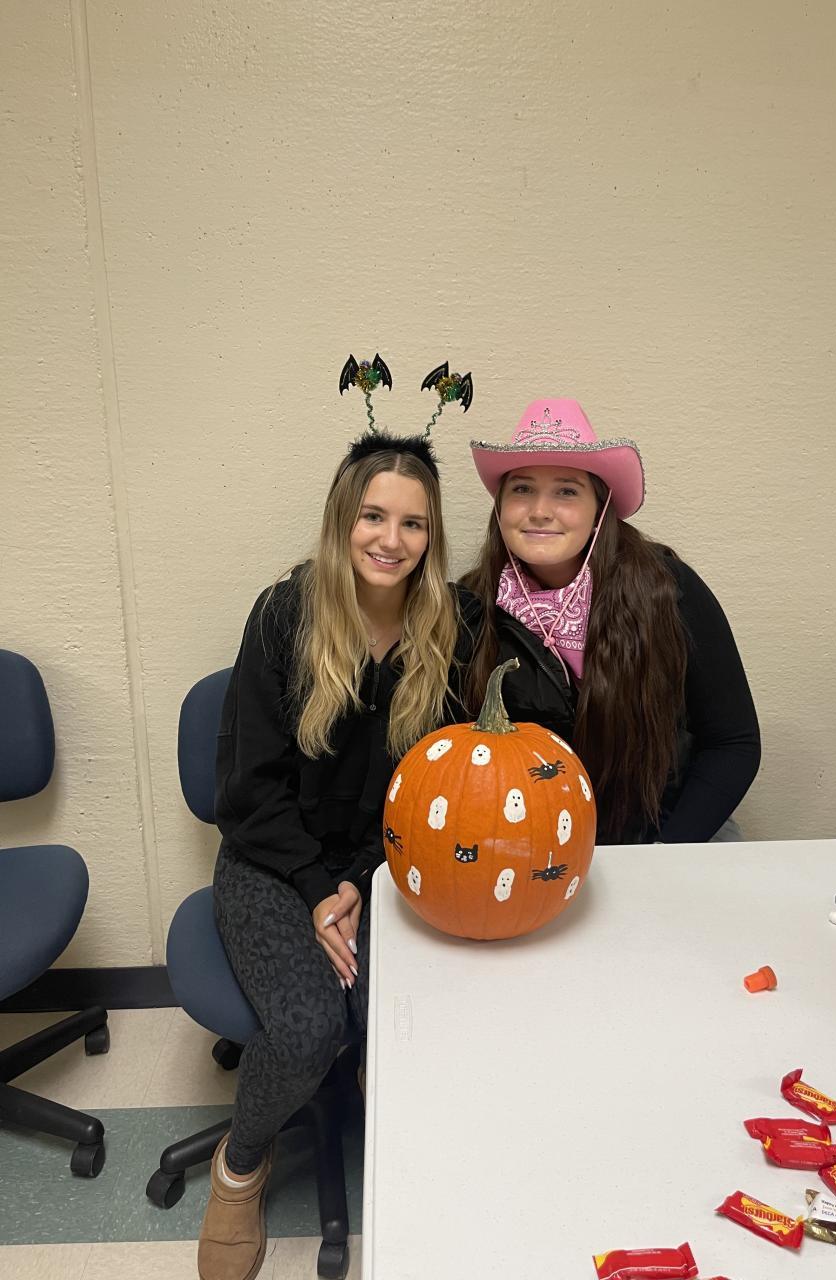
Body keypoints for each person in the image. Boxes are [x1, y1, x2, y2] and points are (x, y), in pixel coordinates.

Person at [198, 362, 475, 1280]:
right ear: (341, 520)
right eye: (372, 516)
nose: (390, 539)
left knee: (406, 1015)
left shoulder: (448, 631)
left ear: (431, 537)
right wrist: (321, 890)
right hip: (270, 863)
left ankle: (407, 1168)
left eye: (412, 523)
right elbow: (248, 790)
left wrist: (360, 883)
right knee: (313, 1029)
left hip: (379, 868)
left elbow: (428, 789)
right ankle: (240, 1167)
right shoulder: (284, 614)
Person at [461, 398, 760, 846]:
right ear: (500, 506)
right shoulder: (473, 607)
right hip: (537, 844)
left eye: (566, 491)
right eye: (522, 489)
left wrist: (664, 855)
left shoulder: (667, 589)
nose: (540, 510)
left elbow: (733, 742)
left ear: (600, 509)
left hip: (671, 833)